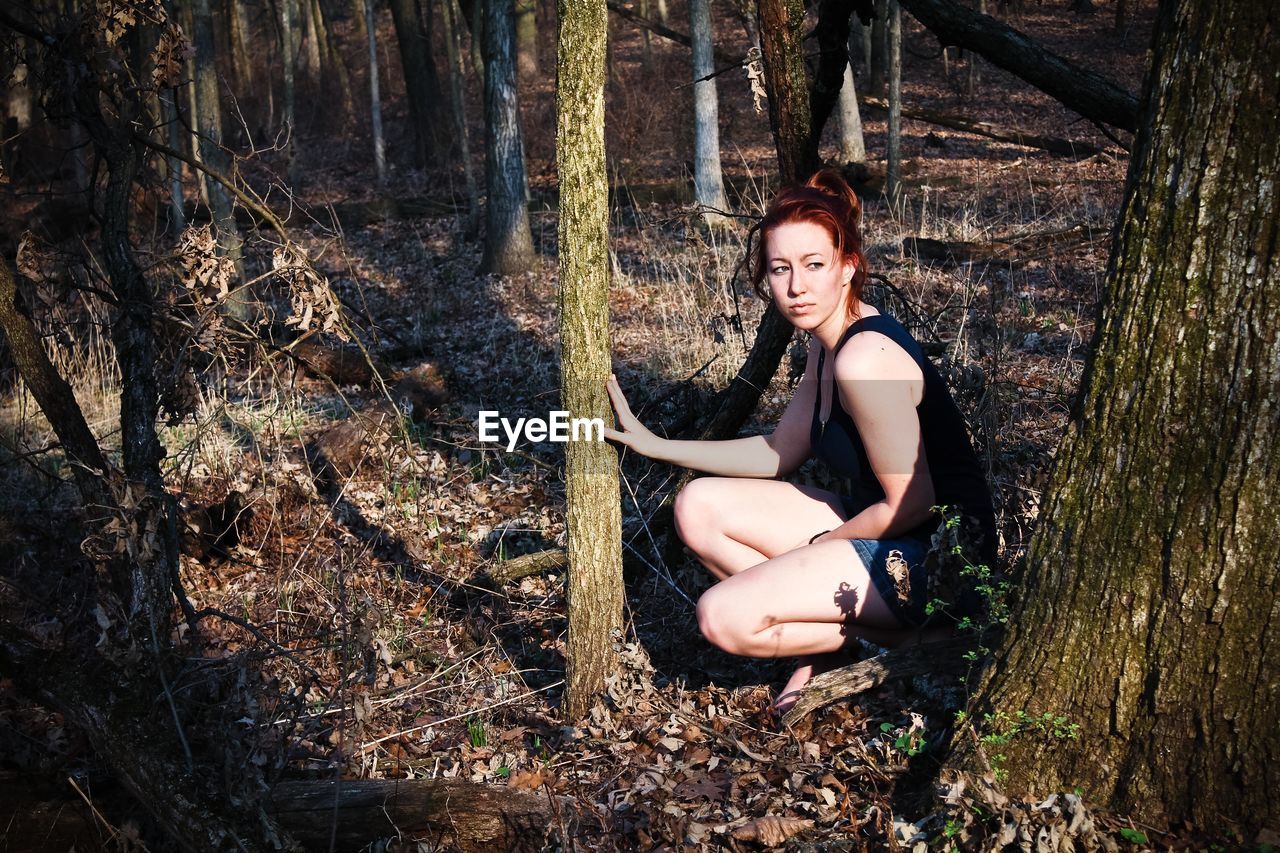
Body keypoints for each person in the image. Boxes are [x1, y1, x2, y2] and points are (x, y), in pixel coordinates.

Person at [604, 169, 996, 711]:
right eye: (780, 269)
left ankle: (921, 643)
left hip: (939, 559)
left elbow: (914, 501)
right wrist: (655, 445)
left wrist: (819, 549)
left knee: (722, 616)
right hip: (881, 532)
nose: (796, 287)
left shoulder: (864, 357)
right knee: (698, 506)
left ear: (848, 266)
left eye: (814, 265)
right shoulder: (826, 344)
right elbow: (781, 450)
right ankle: (830, 639)